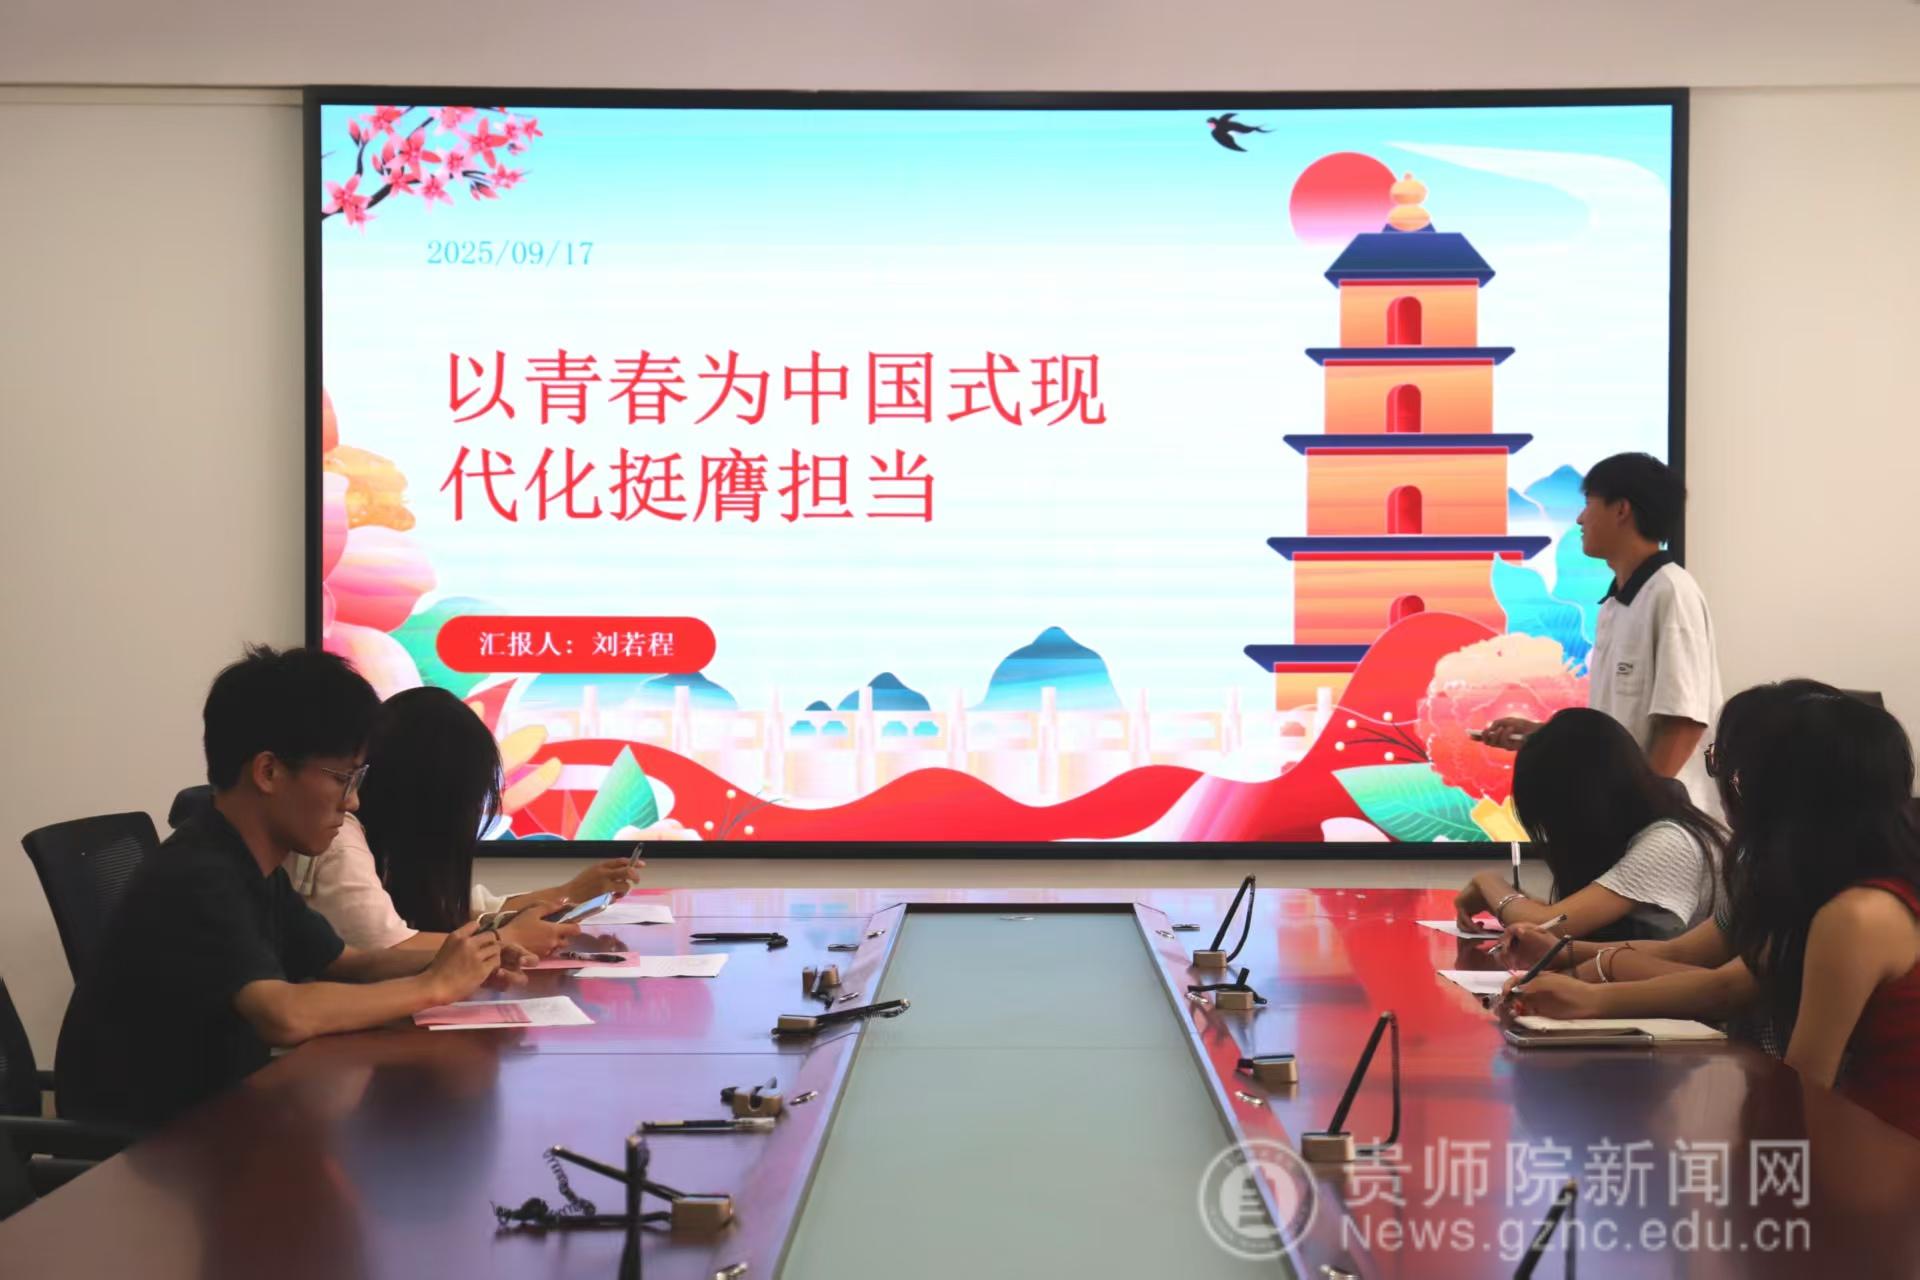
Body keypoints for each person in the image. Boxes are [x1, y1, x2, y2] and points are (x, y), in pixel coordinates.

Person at [56, 647, 516, 1129]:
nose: (354, 801)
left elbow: (349, 962)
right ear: (269, 772)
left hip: (221, 1116)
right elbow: (284, 1014)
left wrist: (470, 955)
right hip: (150, 1147)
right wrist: (433, 986)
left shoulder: (250, 862)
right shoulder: (199, 875)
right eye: (343, 778)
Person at [1508, 693, 1920, 1140]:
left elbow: (1800, 1096)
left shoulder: (1854, 916)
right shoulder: (1827, 890)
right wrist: (1588, 995)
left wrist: (1594, 976)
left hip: (1882, 1162)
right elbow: (1729, 981)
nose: (1731, 790)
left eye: (1740, 774)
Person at [285, 686, 640, 954]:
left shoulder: (385, 843)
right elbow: (388, 946)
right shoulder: (341, 839)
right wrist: (504, 940)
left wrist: (569, 894)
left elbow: (468, 910)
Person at [1483, 453, 1722, 814]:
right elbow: (1613, 733)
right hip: (1627, 815)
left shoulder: (1671, 592)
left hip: (1666, 822)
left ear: (1621, 509)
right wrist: (1539, 734)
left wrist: (1643, 810)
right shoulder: (1615, 604)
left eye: (1588, 504)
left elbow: (1683, 723)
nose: (1580, 518)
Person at [1454, 707, 1724, 942]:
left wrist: (1487, 882)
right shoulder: (1653, 829)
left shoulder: (1669, 842)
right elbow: (1578, 925)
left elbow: (1549, 925)